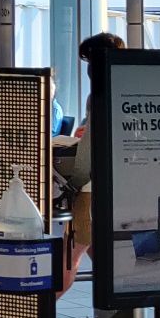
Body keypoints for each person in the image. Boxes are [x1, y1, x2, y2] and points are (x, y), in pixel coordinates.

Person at [59, 33, 124, 296]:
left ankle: (42, 315)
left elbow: (89, 152)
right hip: (117, 180)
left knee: (70, 252)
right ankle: (122, 299)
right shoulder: (127, 84)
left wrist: (72, 183)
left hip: (90, 187)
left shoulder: (99, 92)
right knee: (94, 245)